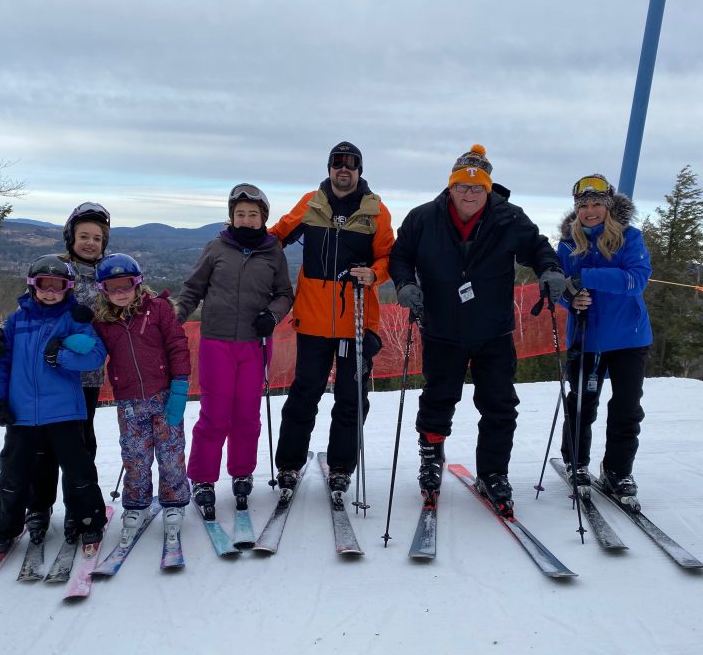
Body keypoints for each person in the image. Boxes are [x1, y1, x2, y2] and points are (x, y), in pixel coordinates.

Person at [389, 144, 565, 517]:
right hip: (441, 326)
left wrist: (550, 269)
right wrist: (405, 283)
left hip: (493, 330)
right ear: (450, 187)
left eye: (476, 187)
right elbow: (400, 255)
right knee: (438, 400)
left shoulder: (509, 218)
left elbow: (538, 248)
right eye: (461, 186)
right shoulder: (423, 218)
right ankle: (431, 459)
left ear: (487, 188)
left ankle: (493, 473)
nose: (468, 193)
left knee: (500, 406)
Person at [269, 141, 395, 497]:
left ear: (359, 170)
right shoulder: (312, 203)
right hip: (312, 321)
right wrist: (243, 250)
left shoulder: (376, 211)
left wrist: (373, 274)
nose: (344, 170)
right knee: (304, 395)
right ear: (328, 169)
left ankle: (341, 467)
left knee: (351, 398)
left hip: (356, 322)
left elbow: (389, 257)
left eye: (351, 164)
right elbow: (276, 236)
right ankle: (289, 465)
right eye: (337, 164)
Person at [0, 201, 111, 543]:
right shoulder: (56, 270)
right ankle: (39, 506)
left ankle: (79, 510)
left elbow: (126, 303)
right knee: (38, 452)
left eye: (97, 238)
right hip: (40, 381)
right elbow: (25, 314)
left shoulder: (106, 274)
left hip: (82, 380)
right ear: (71, 237)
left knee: (79, 447)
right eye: (83, 235)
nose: (90, 242)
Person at [174, 183, 294, 517]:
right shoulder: (216, 248)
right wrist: (174, 319)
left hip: (254, 345)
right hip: (216, 343)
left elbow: (285, 293)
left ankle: (242, 473)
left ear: (263, 219)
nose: (245, 220)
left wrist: (272, 315)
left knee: (247, 415)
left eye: (252, 215)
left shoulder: (274, 252)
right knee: (214, 414)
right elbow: (193, 288)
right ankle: (202, 479)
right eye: (239, 214)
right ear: (231, 217)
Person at [556, 174, 652, 511]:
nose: (591, 210)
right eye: (584, 205)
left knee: (626, 408)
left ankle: (617, 470)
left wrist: (586, 277)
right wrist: (571, 299)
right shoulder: (568, 244)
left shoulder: (630, 238)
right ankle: (576, 461)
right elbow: (559, 288)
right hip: (587, 336)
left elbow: (635, 280)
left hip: (629, 336)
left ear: (608, 207)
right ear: (577, 209)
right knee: (581, 404)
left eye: (597, 204)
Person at [93, 253, 192, 544]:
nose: (121, 293)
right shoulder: (102, 322)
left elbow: (177, 344)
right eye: (113, 287)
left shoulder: (158, 309)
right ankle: (136, 504)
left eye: (127, 285)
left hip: (164, 396)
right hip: (129, 402)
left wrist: (181, 384)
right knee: (135, 457)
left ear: (138, 284)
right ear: (103, 290)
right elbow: (95, 353)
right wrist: (77, 343)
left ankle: (173, 502)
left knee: (171, 453)